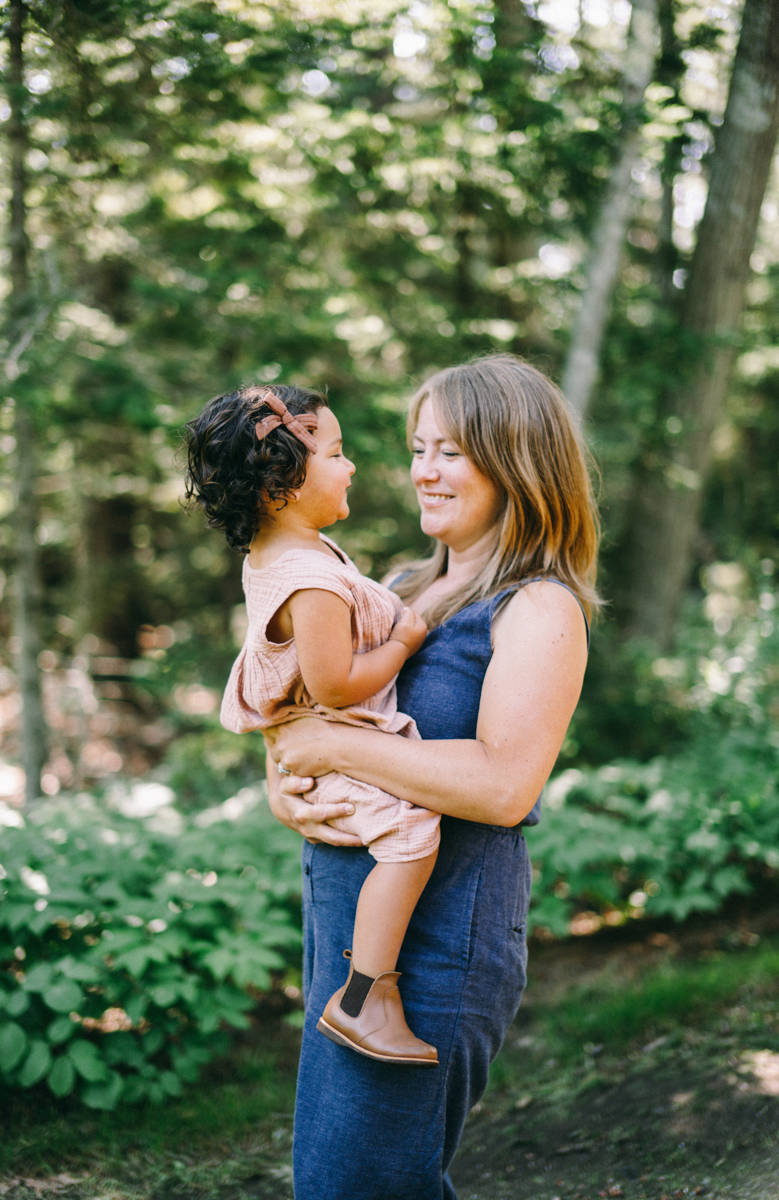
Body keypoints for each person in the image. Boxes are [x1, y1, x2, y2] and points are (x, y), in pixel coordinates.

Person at [265, 353, 601, 1200]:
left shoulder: (538, 606)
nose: (422, 471)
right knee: (341, 1180)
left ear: (515, 458)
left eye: (450, 451)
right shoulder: (397, 589)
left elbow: (502, 786)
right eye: (418, 447)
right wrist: (289, 783)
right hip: (344, 939)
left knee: (365, 1182)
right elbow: (316, 720)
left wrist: (330, 750)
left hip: (440, 950)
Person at [184, 384, 442, 1067]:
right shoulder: (311, 581)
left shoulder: (290, 555)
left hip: (327, 744)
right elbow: (334, 683)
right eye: (333, 452)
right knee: (413, 834)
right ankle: (366, 996)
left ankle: (368, 992)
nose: (350, 464)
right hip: (337, 751)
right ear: (279, 488)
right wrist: (403, 645)